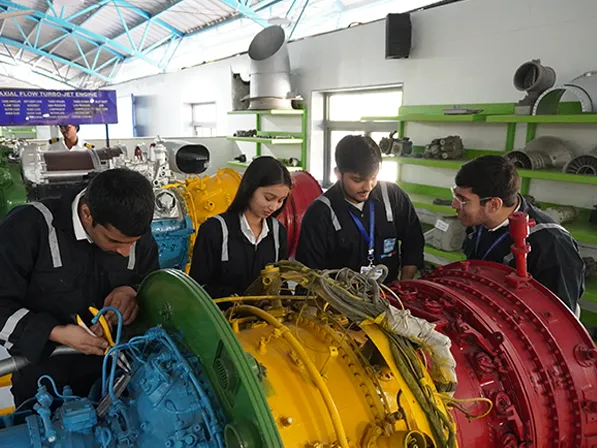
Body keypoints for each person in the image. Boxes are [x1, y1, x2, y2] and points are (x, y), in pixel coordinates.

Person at [0, 168, 159, 405]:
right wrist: (56, 332)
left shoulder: (132, 227)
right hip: (45, 388)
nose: (126, 252)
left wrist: (131, 291)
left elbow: (151, 281)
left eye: (132, 243)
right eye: (114, 241)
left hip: (120, 384)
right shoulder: (29, 227)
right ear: (87, 214)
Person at [452, 155, 585, 313]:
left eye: (463, 200)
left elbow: (559, 317)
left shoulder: (553, 246)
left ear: (494, 205)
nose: (454, 204)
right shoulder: (480, 221)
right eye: (455, 195)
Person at [296, 135, 425, 282]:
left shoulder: (392, 196)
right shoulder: (320, 214)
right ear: (338, 173)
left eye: (373, 177)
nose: (368, 187)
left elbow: (413, 240)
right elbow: (310, 274)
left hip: (389, 290)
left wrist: (405, 284)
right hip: (339, 294)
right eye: (358, 180)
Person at [189, 156, 291, 298]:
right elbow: (197, 288)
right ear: (250, 188)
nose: (274, 207)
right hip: (222, 312)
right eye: (268, 198)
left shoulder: (278, 232)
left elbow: (282, 284)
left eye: (281, 200)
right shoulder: (215, 230)